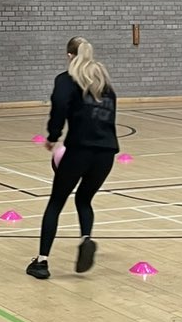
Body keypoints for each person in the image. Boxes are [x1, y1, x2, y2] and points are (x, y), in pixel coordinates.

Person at [27, 36, 119, 280]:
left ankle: (42, 262)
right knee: (84, 199)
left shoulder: (67, 80)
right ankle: (85, 238)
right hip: (107, 152)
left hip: (79, 150)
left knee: (56, 201)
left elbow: (59, 104)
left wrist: (53, 135)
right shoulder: (104, 82)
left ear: (69, 56)